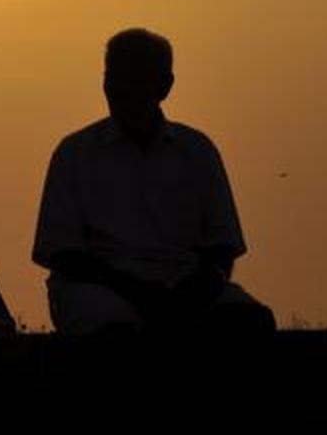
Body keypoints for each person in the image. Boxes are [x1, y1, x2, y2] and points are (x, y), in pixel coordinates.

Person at [32, 28, 275, 335]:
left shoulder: (197, 152)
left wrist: (187, 296)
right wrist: (135, 291)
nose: (120, 90)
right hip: (98, 291)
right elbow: (62, 254)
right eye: (113, 77)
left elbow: (222, 248)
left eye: (133, 78)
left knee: (251, 321)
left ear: (164, 86)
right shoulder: (75, 154)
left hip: (187, 289)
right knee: (114, 331)